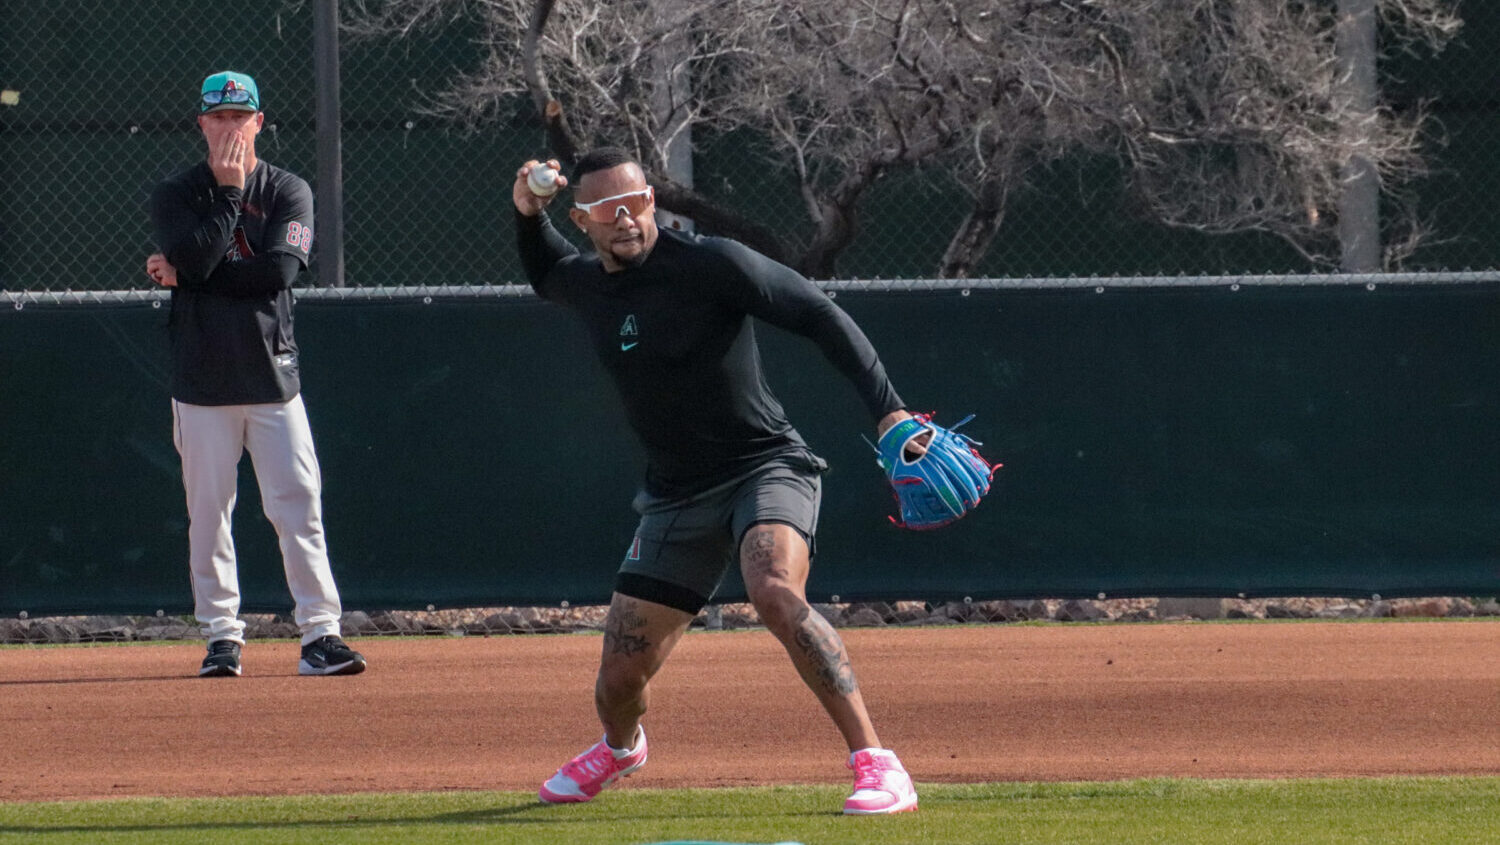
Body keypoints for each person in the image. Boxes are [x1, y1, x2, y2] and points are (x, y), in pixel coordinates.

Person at [513, 148, 919, 815]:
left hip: (765, 465)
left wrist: (890, 408)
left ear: (653, 199)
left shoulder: (711, 263)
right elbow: (544, 269)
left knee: (774, 588)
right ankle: (620, 748)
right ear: (583, 220)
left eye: (638, 200)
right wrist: (527, 212)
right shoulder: (587, 282)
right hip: (675, 495)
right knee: (617, 680)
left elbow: (817, 312)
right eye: (609, 209)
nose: (628, 217)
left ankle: (878, 761)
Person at [145, 71, 365, 679]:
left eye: (241, 117)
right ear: (201, 124)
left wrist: (188, 274)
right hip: (201, 379)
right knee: (209, 510)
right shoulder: (178, 192)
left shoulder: (289, 189)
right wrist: (227, 195)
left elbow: (278, 273)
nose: (230, 128)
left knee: (297, 505)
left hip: (273, 377)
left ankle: (320, 634)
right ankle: (222, 636)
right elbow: (193, 255)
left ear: (260, 122)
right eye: (218, 117)